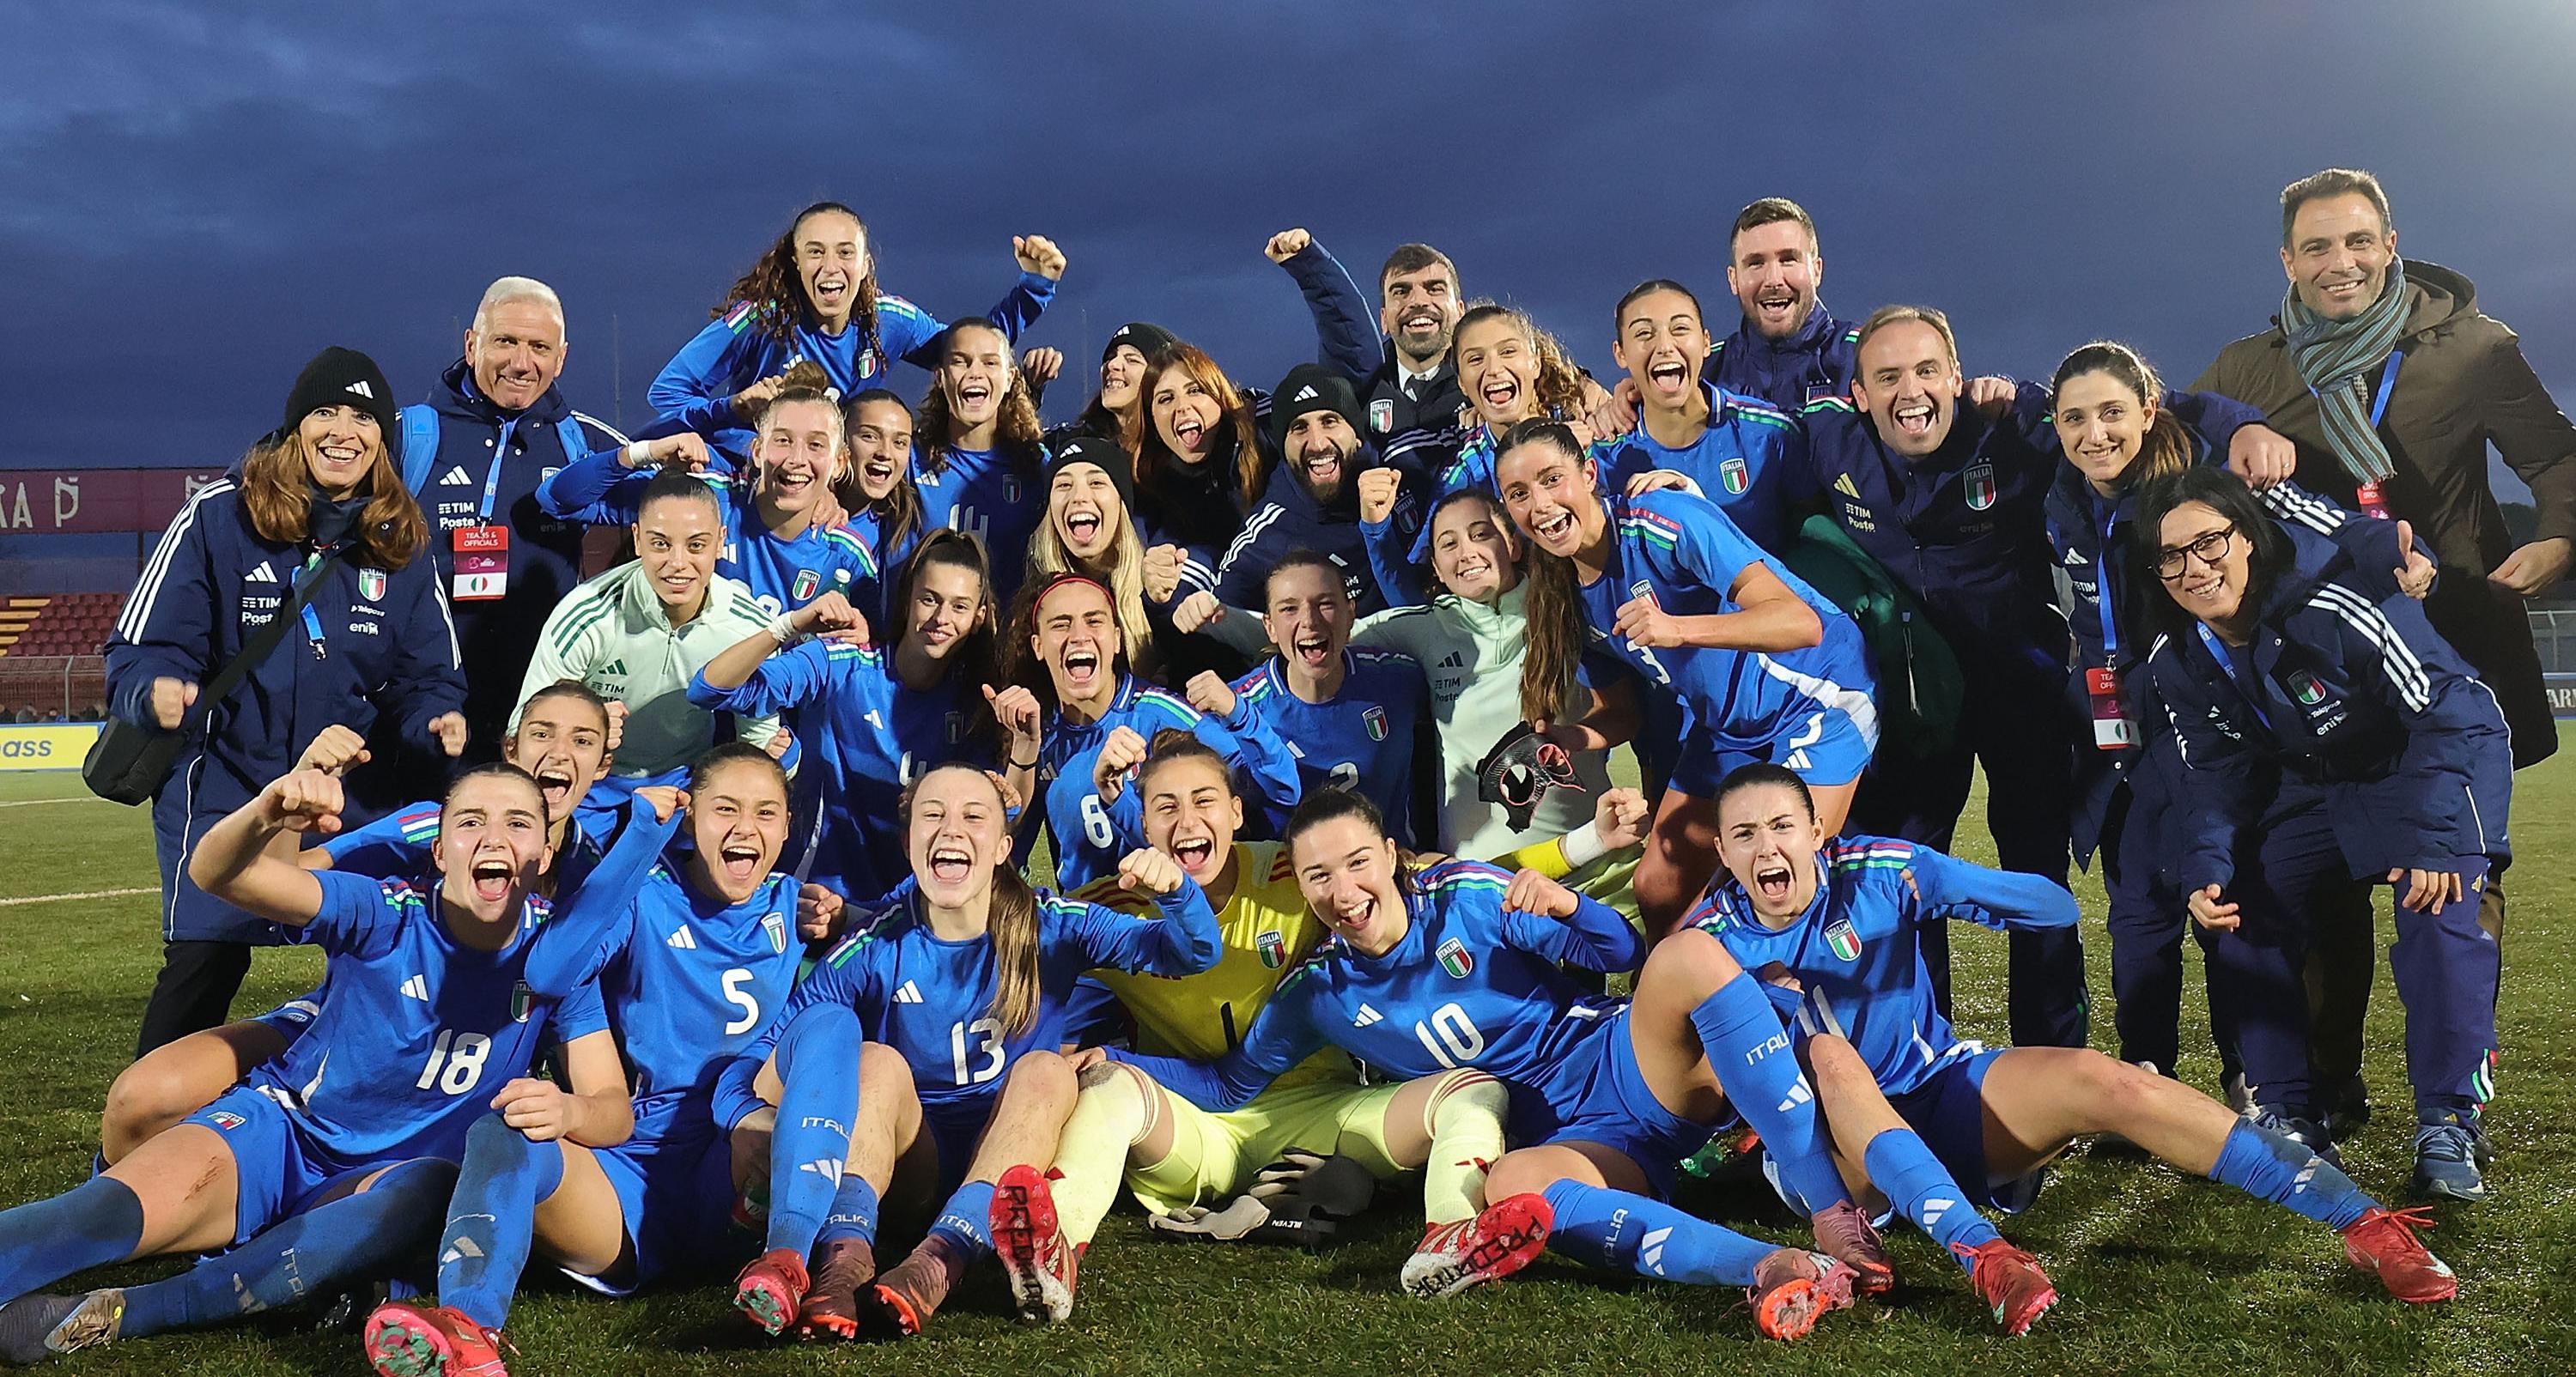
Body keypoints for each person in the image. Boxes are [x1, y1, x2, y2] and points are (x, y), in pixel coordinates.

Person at [1103, 789, 1890, 1341]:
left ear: (1388, 854)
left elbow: (1616, 952)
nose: (1343, 891)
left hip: (1620, 1065)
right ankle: (1777, 1266)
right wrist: (1110, 1063)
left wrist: (1568, 903)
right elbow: (1233, 1084)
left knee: (1688, 959)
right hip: (1575, 1144)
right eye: (1318, 877)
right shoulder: (1318, 993)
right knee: (1513, 1188)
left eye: (1355, 864)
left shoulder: (1468, 898)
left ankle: (1832, 1209)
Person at [1686, 762, 2461, 1307]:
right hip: (1833, 1162)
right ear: (1722, 853)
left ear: (1816, 831)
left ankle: (2364, 1223)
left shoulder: (1884, 871)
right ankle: (1986, 1256)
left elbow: (2055, 911)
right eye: (1745, 835)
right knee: (1831, 1056)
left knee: (2111, 1080)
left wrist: (1959, 886)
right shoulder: (1707, 943)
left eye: (1782, 826)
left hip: (1937, 1092)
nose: (1767, 850)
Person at [0, 764, 630, 1363]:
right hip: (280, 1135)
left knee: (420, 1191)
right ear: (439, 852)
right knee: (97, 1214)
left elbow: (612, 1111)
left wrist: (571, 1107)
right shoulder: (383, 911)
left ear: (544, 856)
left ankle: (118, 1312)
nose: (494, 837)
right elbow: (219, 875)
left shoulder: (558, 960)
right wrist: (266, 813)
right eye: (470, 822)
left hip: (387, 1180)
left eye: (519, 823)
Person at [1013, 734, 1641, 1321]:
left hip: (1326, 1114)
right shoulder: (1110, 905)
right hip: (1196, 1125)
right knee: (1108, 1088)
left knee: (1472, 1087)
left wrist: (1578, 848)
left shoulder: (1297, 874)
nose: (1186, 821)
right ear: (1142, 823)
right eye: (1165, 807)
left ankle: (1449, 1238)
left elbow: (1435, 881)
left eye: (1204, 800)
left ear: (1236, 812)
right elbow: (1017, 930)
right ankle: (1050, 1252)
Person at [1804, 306, 2281, 1048]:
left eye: (1928, 371)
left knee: (2035, 876)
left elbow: (2136, 400)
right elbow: (1731, 439)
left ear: (1957, 379)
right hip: (1912, 703)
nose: (1912, 391)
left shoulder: (2010, 424)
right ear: (1858, 394)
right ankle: (1917, 1054)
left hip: (2020, 690)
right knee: (1899, 876)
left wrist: (2243, 424)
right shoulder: (1824, 440)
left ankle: (2052, 1055)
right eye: (1888, 376)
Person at [2045, 342, 2434, 1106]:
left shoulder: (2211, 474)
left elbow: (2315, 525)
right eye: (2075, 418)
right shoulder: (2056, 484)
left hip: (2215, 712)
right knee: (2140, 917)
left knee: (2234, 898)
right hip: (2119, 737)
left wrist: (2396, 556)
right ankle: (2146, 1078)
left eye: (2113, 412)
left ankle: (2263, 1073)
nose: (2094, 433)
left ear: (2149, 410)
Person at [720, 763, 1221, 1339]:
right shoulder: (874, 944)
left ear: (1005, 847)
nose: (950, 830)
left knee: (1046, 1070)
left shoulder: (1050, 925)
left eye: (973, 817)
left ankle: (939, 1260)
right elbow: (773, 1046)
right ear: (908, 845)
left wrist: (1180, 894)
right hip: (911, 1161)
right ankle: (844, 1262)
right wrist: (744, 1116)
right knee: (875, 1063)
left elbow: (1191, 956)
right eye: (932, 816)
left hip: (1010, 1153)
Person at [358, 748, 806, 1376]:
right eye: (724, 809)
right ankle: (469, 1326)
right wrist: (640, 843)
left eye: (766, 813)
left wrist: (757, 1112)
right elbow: (548, 971)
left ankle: (810, 1249)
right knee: (510, 1126)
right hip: (624, 1180)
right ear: (690, 816)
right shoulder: (643, 895)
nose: (744, 828)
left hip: (732, 1172)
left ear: (789, 827)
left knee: (836, 1033)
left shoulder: (800, 905)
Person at [2136, 468, 2512, 1201]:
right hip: (2319, 779)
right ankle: (2287, 1111)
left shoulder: (2333, 600)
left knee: (2437, 908)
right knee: (2240, 903)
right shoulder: (2176, 657)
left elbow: (2442, 711)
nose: (2194, 567)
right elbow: (2213, 779)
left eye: (2209, 542)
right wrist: (2205, 868)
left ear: (2247, 538)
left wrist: (2432, 839)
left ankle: (2450, 1120)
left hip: (2429, 757)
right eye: (2171, 556)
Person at [106, 346, 468, 1054]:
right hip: (225, 781)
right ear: (295, 427)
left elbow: (428, 676)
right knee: (205, 960)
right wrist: (155, 691)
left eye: (362, 417)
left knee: (387, 955)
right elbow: (141, 645)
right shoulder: (217, 517)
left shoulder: (402, 541)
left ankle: (373, 1119)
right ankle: (146, 1129)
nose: (343, 430)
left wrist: (435, 721)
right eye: (324, 411)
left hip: (346, 794)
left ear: (384, 439)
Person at [98, 685, 621, 1166]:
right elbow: (282, 880)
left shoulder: (601, 872)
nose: (559, 753)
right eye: (542, 733)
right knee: (143, 1100)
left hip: (485, 1059)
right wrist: (295, 803)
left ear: (602, 764)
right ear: (512, 749)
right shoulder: (429, 826)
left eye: (582, 740)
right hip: (352, 1026)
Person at [2194, 167, 2572, 770]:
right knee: (2326, 851)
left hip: (2458, 632)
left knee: (2456, 855)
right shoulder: (2245, 372)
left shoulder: (2473, 350)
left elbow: (2556, 456)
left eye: (2359, 241)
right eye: (2318, 247)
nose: (2341, 262)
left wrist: (2560, 537)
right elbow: (2171, 436)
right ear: (2289, 261)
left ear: (2390, 246)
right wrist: (2237, 424)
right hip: (2319, 659)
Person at [1495, 421, 1875, 936]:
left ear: (1587, 474)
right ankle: (1672, 1011)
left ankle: (1809, 1010)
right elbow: (1622, 713)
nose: (1539, 505)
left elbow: (1800, 623)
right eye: (1518, 494)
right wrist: (1568, 736)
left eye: (1551, 479)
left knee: (1778, 882)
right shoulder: (1564, 594)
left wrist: (1676, 628)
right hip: (1727, 727)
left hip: (1817, 699)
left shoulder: (1663, 519)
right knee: (1658, 889)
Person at [690, 531, 1024, 901]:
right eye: (929, 599)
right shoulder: (842, 663)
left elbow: (1003, 815)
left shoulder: (976, 704)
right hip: (810, 899)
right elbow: (710, 689)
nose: (941, 618)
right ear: (907, 599)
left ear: (979, 618)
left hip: (907, 912)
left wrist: (1020, 760)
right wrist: (791, 625)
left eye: (959, 607)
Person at [398, 276, 630, 751]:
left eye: (540, 347)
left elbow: (690, 506)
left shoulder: (584, 445)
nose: (522, 364)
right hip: (422, 709)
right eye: (506, 341)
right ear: (471, 345)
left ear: (561, 358)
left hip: (536, 713)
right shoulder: (408, 436)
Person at [648, 201, 1061, 454]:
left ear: (865, 265)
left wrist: (1034, 290)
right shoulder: (761, 320)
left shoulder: (888, 321)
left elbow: (969, 355)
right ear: (795, 262)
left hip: (838, 486)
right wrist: (734, 413)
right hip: (755, 483)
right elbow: (666, 394)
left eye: (845, 253)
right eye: (815, 253)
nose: (831, 268)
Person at [1014, 575, 1300, 890]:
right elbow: (1008, 844)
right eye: (1061, 624)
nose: (1079, 636)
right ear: (1038, 646)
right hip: (1089, 924)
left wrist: (1240, 714)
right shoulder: (1034, 732)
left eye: (1094, 621)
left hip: (1168, 917)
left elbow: (1276, 789)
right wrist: (1022, 751)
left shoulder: (1162, 713)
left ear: (1117, 638)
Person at [514, 471, 781, 797]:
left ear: (720, 541)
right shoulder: (586, 615)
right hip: (588, 783)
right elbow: (523, 732)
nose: (678, 563)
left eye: (697, 545)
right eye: (660, 544)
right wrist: (584, 724)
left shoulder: (750, 628)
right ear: (638, 540)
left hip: (687, 784)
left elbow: (758, 743)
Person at [539, 369, 875, 617]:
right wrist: (644, 453)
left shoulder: (848, 557)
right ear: (757, 450)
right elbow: (556, 499)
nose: (797, 459)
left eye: (815, 445)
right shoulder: (702, 499)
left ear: (840, 462)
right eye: (783, 440)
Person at [1187, 551, 1431, 846]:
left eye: (1325, 604)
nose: (1310, 621)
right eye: (1289, 609)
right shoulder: (1236, 707)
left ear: (1350, 613)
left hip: (1393, 868)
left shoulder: (1397, 676)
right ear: (1270, 627)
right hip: (1286, 879)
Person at [1601, 280, 1813, 555]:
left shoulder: (1768, 433)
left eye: (1680, 328)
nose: (1665, 345)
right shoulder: (1606, 458)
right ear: (1620, 353)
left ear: (1705, 343)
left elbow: (1817, 526)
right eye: (1644, 333)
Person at [1212, 364, 1425, 617]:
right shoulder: (1269, 530)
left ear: (1356, 434)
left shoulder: (1408, 467)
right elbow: (1221, 615)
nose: (1318, 443)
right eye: (1299, 428)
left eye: (1330, 422)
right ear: (1283, 448)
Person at [911, 319, 1051, 604]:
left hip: (1005, 639)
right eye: (961, 362)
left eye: (989, 363)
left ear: (1010, 377)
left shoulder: (1035, 465)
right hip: (929, 635)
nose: (975, 373)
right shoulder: (912, 458)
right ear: (940, 376)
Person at [1134, 343, 1273, 606]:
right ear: (1152, 421)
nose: (1182, 407)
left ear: (1220, 397)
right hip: (1230, 624)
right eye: (1166, 399)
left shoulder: (1267, 432)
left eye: (1195, 390)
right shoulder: (1151, 488)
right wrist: (1157, 588)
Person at [1707, 198, 1860, 411]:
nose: (1773, 280)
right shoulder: (1702, 372)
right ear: (1733, 280)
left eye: (1788, 259)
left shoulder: (1865, 356)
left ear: (1816, 271)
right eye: (1756, 263)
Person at [1025, 436, 1163, 673]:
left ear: (1121, 504)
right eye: (1064, 486)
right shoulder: (1031, 607)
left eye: (1097, 483)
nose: (1079, 497)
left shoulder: (1156, 594)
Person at [1352, 244, 1468, 440]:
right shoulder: (1358, 390)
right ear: (1384, 319)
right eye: (1401, 292)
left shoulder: (1485, 384)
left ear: (1460, 312)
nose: (1418, 301)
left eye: (1434, 289)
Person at [838, 387, 924, 619]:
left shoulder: (900, 529)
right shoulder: (801, 505)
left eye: (900, 442)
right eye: (869, 436)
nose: (885, 452)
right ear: (840, 440)